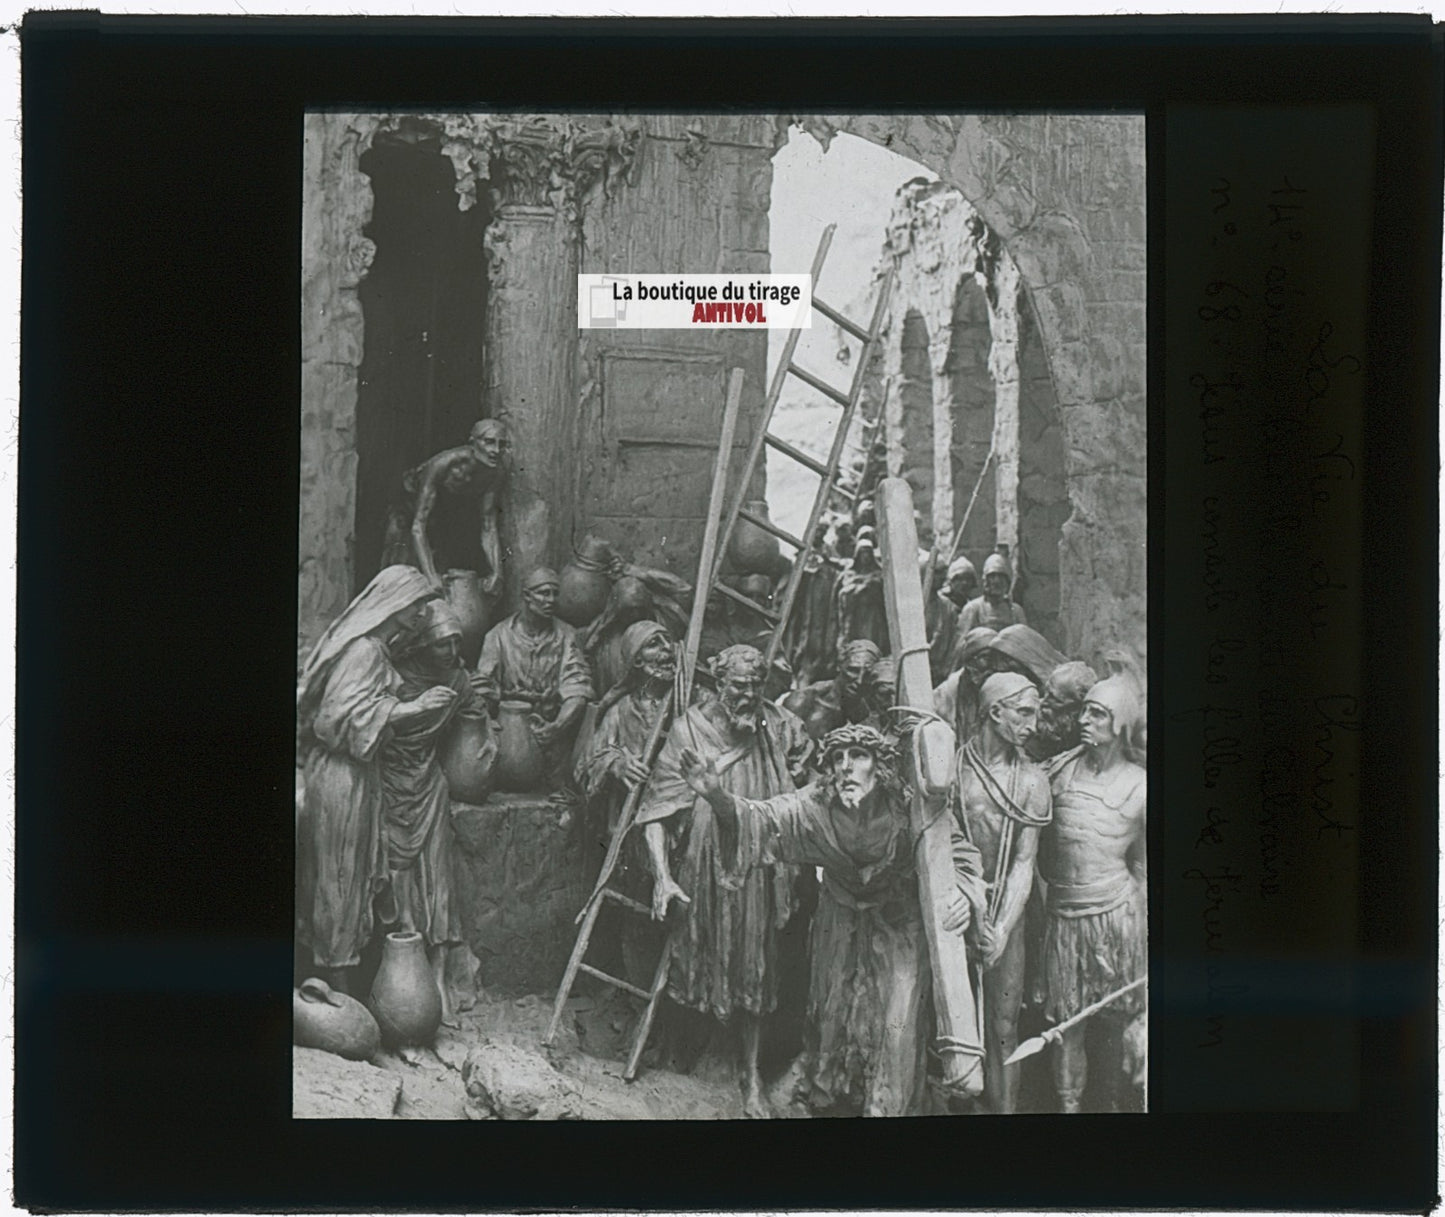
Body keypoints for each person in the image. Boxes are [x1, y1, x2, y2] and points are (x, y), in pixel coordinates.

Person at [676, 724, 987, 1117]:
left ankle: (887, 1108)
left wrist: (963, 893)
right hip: (839, 918)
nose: (845, 767)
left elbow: (958, 854)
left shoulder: (910, 808)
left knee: (898, 1023)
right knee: (831, 1016)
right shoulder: (815, 806)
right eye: (837, 758)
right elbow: (763, 820)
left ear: (881, 768)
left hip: (898, 922)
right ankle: (832, 1101)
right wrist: (717, 795)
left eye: (858, 756)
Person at [635, 644, 813, 1117]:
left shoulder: (779, 727)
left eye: (757, 686)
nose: (749, 695)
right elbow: (656, 808)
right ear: (718, 683)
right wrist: (661, 878)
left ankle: (750, 1071)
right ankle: (701, 1048)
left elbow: (812, 788)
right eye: (739, 686)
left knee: (756, 960)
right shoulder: (688, 729)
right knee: (705, 952)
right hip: (703, 864)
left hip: (759, 861)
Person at [296, 566, 453, 995]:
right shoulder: (364, 651)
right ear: (396, 603)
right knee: (341, 884)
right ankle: (340, 998)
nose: (423, 612)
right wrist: (413, 707)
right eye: (417, 603)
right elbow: (332, 720)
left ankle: (346, 992)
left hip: (359, 776)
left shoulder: (378, 649)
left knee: (350, 882)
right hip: (341, 778)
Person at [1040, 673, 1147, 1113]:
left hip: (1117, 918)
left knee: (1120, 1021)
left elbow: (1143, 864)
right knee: (1067, 1026)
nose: (1085, 720)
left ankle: (1117, 1105)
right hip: (1064, 917)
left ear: (1120, 723)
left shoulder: (1141, 785)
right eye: (1084, 709)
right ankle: (1069, 1109)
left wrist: (1142, 920)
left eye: (1097, 713)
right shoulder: (1058, 771)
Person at [948, 672, 1052, 1114]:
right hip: (953, 910)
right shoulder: (951, 769)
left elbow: (1024, 863)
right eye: (1024, 713)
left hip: (1007, 917)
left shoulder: (1032, 781)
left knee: (1003, 1024)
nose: (1033, 725)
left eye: (1037, 714)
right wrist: (966, 908)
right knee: (951, 1019)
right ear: (995, 711)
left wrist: (1003, 930)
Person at [382, 599, 471, 1024]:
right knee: (398, 880)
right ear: (421, 644)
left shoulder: (459, 680)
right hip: (390, 786)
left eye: (456, 642)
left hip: (430, 785)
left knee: (439, 879)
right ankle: (398, 983)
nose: (452, 652)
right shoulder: (394, 679)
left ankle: (437, 979)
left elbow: (467, 727)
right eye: (442, 644)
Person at [574, 620, 677, 987]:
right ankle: (635, 992)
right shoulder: (619, 711)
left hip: (679, 823)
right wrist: (616, 763)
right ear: (635, 660)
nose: (666, 651)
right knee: (637, 913)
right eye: (653, 645)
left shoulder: (686, 703)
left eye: (668, 643)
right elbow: (587, 764)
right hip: (630, 827)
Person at [473, 566, 595, 786]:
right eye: (543, 593)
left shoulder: (567, 635)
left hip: (553, 735)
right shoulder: (497, 636)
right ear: (527, 596)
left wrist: (557, 727)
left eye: (555, 594)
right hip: (510, 735)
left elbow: (577, 688)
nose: (550, 600)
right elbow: (483, 689)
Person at [381, 419, 506, 593]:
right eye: (489, 442)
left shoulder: (495, 473)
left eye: (502, 444)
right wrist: (431, 576)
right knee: (400, 572)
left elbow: (488, 524)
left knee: (444, 576)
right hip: (409, 512)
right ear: (473, 443)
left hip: (440, 517)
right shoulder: (443, 465)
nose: (496, 451)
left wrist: (496, 573)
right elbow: (418, 525)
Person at [783, 638, 883, 744]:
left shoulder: (866, 710)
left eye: (867, 674)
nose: (859, 680)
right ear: (839, 666)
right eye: (853, 670)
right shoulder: (804, 700)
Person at [933, 626, 1002, 743]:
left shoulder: (998, 681)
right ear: (971, 660)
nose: (992, 663)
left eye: (996, 657)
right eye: (985, 657)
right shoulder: (950, 688)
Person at [1028, 660, 1099, 764]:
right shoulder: (1030, 718)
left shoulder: (1087, 735)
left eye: (1055, 699)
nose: (1043, 701)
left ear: (1076, 708)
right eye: (1046, 691)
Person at [927, 556, 979, 684]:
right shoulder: (939, 604)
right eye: (960, 579)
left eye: (968, 579)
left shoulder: (973, 609)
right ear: (951, 580)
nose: (964, 584)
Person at [835, 534, 889, 653]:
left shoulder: (878, 574)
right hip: (854, 615)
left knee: (872, 646)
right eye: (862, 553)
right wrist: (859, 587)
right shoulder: (849, 574)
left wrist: (870, 585)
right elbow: (842, 593)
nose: (865, 556)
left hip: (872, 616)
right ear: (857, 554)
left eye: (868, 553)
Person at [957, 552, 1028, 635]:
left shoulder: (1016, 612)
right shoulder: (973, 608)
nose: (996, 581)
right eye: (992, 576)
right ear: (985, 581)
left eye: (1001, 576)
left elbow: (1024, 641)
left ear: (1007, 582)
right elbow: (962, 642)